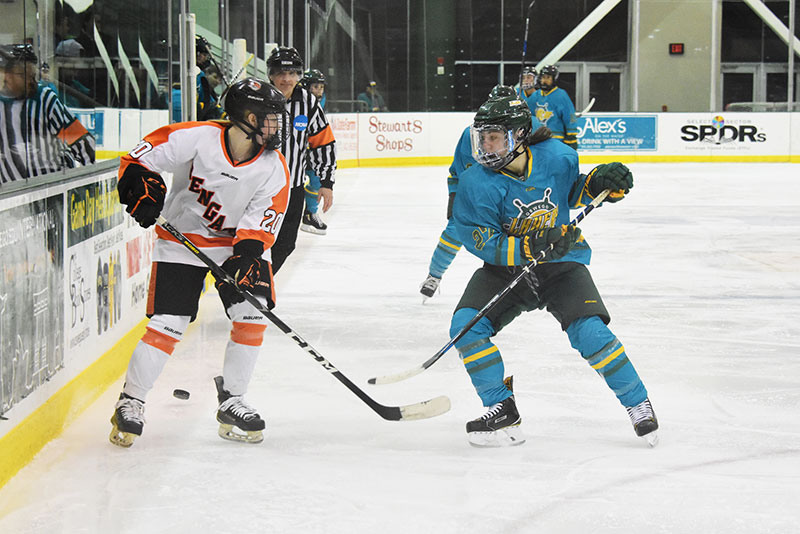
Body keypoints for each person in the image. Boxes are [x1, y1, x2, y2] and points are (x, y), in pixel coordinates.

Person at [449, 94, 657, 448]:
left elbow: (571, 191)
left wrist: (599, 184)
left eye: (494, 136)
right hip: (506, 270)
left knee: (589, 333)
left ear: (519, 136)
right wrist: (529, 246)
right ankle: (501, 406)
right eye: (482, 137)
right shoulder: (476, 182)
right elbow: (481, 240)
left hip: (560, 263)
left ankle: (638, 403)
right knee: (465, 328)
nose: (485, 145)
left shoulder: (558, 156)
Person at [108, 77, 291, 448]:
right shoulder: (196, 137)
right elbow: (136, 159)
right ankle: (131, 400)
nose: (276, 127)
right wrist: (141, 186)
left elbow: (264, 218)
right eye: (268, 118)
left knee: (252, 317)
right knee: (169, 323)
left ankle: (233, 398)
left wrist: (248, 253)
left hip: (236, 246)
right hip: (182, 240)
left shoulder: (273, 166)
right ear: (245, 118)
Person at [419, 85, 540, 301]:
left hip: (515, 196)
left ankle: (539, 279)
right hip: (483, 192)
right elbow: (458, 170)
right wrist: (455, 196)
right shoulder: (471, 134)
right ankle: (434, 276)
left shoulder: (530, 130)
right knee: (454, 231)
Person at [267, 46, 336, 272]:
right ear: (270, 74)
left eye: (292, 74)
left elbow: (323, 143)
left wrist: (326, 183)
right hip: (257, 187)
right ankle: (251, 287)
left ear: (299, 75)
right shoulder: (257, 97)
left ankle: (257, 285)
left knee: (286, 243)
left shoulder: (308, 102)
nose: (286, 79)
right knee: (256, 241)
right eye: (280, 73)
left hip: (292, 187)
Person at [0, 44, 95, 184]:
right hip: (14, 198)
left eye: (33, 75)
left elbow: (81, 141)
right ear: (7, 76)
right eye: (25, 75)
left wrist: (91, 182)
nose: (31, 81)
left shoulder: (43, 98)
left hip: (50, 191)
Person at [298, 68, 329, 234]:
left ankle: (310, 213)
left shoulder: (320, 101)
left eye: (321, 87)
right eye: (315, 87)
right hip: (295, 149)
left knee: (316, 179)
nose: (319, 90)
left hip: (309, 148)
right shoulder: (298, 100)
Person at [527, 65, 579, 150]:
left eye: (548, 78)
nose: (545, 80)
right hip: (538, 140)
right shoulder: (535, 96)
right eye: (543, 77)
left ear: (554, 79)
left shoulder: (561, 95)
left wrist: (571, 137)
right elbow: (529, 116)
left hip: (556, 140)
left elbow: (569, 116)